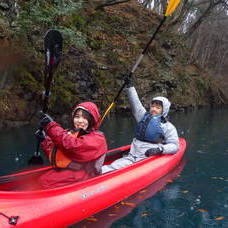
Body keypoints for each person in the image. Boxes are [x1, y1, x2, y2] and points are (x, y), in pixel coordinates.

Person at [102, 77, 179, 173]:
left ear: (164, 111)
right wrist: (130, 87)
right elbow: (136, 103)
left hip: (148, 158)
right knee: (113, 167)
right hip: (132, 155)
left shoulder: (168, 127)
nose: (154, 109)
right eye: (153, 106)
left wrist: (160, 149)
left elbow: (175, 146)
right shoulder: (142, 116)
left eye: (158, 107)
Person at [37, 101, 108, 189]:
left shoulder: (98, 139)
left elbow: (72, 146)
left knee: (45, 181)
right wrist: (44, 141)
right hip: (71, 170)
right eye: (77, 116)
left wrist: (50, 126)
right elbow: (58, 153)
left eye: (85, 118)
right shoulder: (71, 133)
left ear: (92, 120)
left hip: (86, 174)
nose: (80, 121)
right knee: (42, 179)